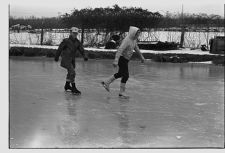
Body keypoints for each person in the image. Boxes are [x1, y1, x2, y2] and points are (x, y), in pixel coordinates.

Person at [101, 26, 146, 98]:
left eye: (139, 34)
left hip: (126, 59)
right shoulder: (127, 40)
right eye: (137, 34)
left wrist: (141, 56)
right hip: (122, 58)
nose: (138, 35)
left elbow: (136, 48)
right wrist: (116, 60)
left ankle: (106, 82)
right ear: (133, 33)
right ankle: (121, 93)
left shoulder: (134, 40)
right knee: (125, 75)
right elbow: (120, 50)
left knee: (120, 73)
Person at [55, 27, 88, 95]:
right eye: (73, 33)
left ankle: (67, 85)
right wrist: (56, 56)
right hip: (66, 59)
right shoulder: (66, 41)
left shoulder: (77, 42)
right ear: (70, 32)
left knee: (70, 72)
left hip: (72, 60)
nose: (75, 35)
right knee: (72, 72)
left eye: (76, 33)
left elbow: (82, 50)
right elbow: (60, 49)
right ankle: (73, 88)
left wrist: (85, 56)